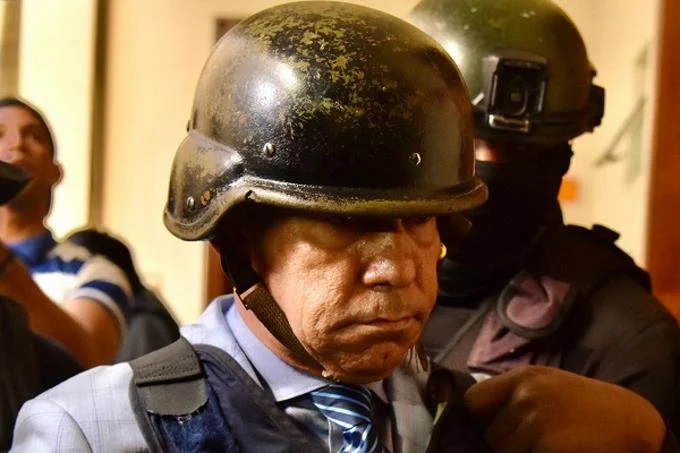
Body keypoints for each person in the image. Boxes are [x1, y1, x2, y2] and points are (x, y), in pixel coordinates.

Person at [409, 0, 680, 431]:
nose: (487, 165)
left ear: (562, 155)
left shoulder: (626, 334)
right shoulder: (339, 281)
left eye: (521, 150)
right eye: (466, 140)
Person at [0, 97, 132, 367]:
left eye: (33, 136)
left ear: (56, 172)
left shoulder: (95, 272)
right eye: (0, 135)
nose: (16, 143)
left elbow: (87, 361)